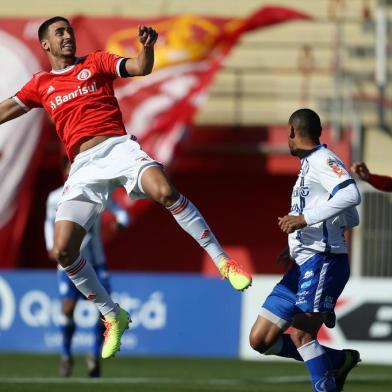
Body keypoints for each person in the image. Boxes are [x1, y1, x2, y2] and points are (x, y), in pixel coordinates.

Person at [0, 16, 252, 359]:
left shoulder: (96, 62)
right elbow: (9, 108)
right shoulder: (41, 84)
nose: (68, 36)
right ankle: (112, 315)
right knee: (63, 251)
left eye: (69, 31)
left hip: (119, 148)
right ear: (45, 44)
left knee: (164, 191)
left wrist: (146, 49)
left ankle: (224, 263)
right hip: (83, 167)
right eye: (60, 33)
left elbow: (140, 67)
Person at [249, 109, 361, 392]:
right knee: (260, 339)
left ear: (291, 131)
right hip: (303, 263)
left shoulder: (324, 159)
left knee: (301, 333)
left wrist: (305, 220)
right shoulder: (308, 167)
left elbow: (351, 195)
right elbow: (351, 217)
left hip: (323, 260)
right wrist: (297, 245)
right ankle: (337, 360)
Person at [45, 160, 130, 377]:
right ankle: (66, 355)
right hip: (67, 265)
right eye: (69, 168)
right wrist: (50, 245)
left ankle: (94, 354)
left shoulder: (97, 192)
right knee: (67, 308)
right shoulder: (55, 197)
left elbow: (121, 212)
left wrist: (121, 221)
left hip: (96, 262)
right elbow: (48, 223)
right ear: (65, 171)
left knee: (105, 309)